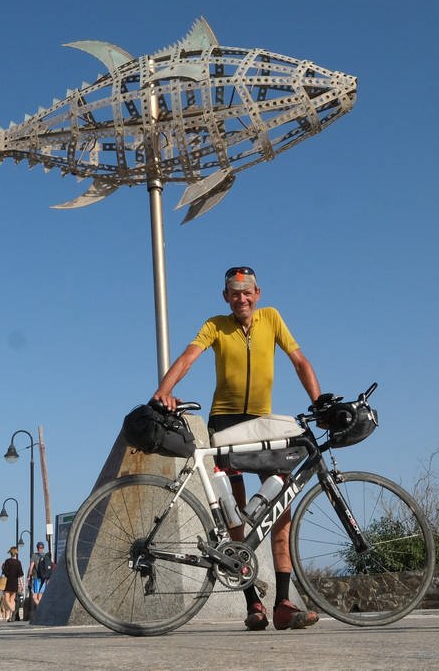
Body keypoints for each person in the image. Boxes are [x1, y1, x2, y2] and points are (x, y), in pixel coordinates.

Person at [151, 265, 322, 631]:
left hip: (263, 422)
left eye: (247, 292)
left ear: (257, 294)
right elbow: (187, 358)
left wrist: (319, 400)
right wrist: (163, 390)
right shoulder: (215, 324)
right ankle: (253, 603)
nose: (241, 298)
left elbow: (299, 361)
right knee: (234, 512)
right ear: (225, 297)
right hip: (225, 423)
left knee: (281, 505)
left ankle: (283, 603)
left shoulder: (272, 318)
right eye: (234, 292)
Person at [0, 546, 24, 621]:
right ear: (16, 554)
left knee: (6, 599)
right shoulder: (18, 562)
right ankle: (11, 617)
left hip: (8, 582)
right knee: (12, 599)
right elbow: (20, 575)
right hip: (15, 583)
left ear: (10, 553)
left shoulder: (7, 561)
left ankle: (13, 612)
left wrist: (2, 567)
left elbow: (5, 573)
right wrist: (22, 584)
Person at [27, 541, 52, 608]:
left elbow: (31, 567)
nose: (40, 549)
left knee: (34, 596)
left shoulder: (34, 555)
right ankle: (41, 610)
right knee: (40, 595)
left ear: (37, 548)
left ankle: (41, 609)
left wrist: (29, 576)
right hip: (44, 578)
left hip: (36, 578)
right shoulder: (46, 556)